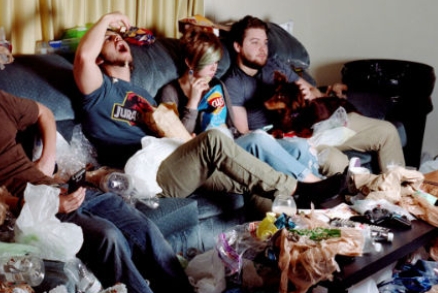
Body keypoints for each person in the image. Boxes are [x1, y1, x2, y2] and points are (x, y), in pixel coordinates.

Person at [0, 37, 217, 293]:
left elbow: (45, 113)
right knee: (109, 238)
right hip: (29, 212)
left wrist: (47, 160)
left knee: (144, 229)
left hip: (60, 188)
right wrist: (50, 202)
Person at [72, 11, 341, 213]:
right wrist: (108, 19)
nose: (118, 40)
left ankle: (303, 223)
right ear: (98, 57)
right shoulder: (98, 92)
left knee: (250, 176)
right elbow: (83, 57)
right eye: (109, 39)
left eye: (119, 37)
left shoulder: (141, 93)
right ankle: (296, 189)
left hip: (176, 157)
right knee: (214, 141)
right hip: (150, 172)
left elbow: (176, 130)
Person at [222, 15, 406, 176]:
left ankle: (400, 198)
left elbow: (313, 92)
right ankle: (371, 199)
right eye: (255, 42)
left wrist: (311, 95)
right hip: (290, 140)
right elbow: (246, 135)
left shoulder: (275, 65)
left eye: (265, 42)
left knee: (387, 131)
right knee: (337, 163)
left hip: (317, 125)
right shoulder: (234, 83)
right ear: (237, 46)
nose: (263, 49)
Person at [157, 26, 324, 183]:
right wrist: (192, 103)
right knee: (258, 138)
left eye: (216, 62)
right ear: (190, 63)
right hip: (206, 155)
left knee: (300, 146)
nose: (214, 68)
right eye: (208, 62)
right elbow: (176, 140)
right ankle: (313, 185)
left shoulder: (216, 84)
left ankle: (320, 203)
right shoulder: (170, 91)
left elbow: (231, 126)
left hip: (231, 145)